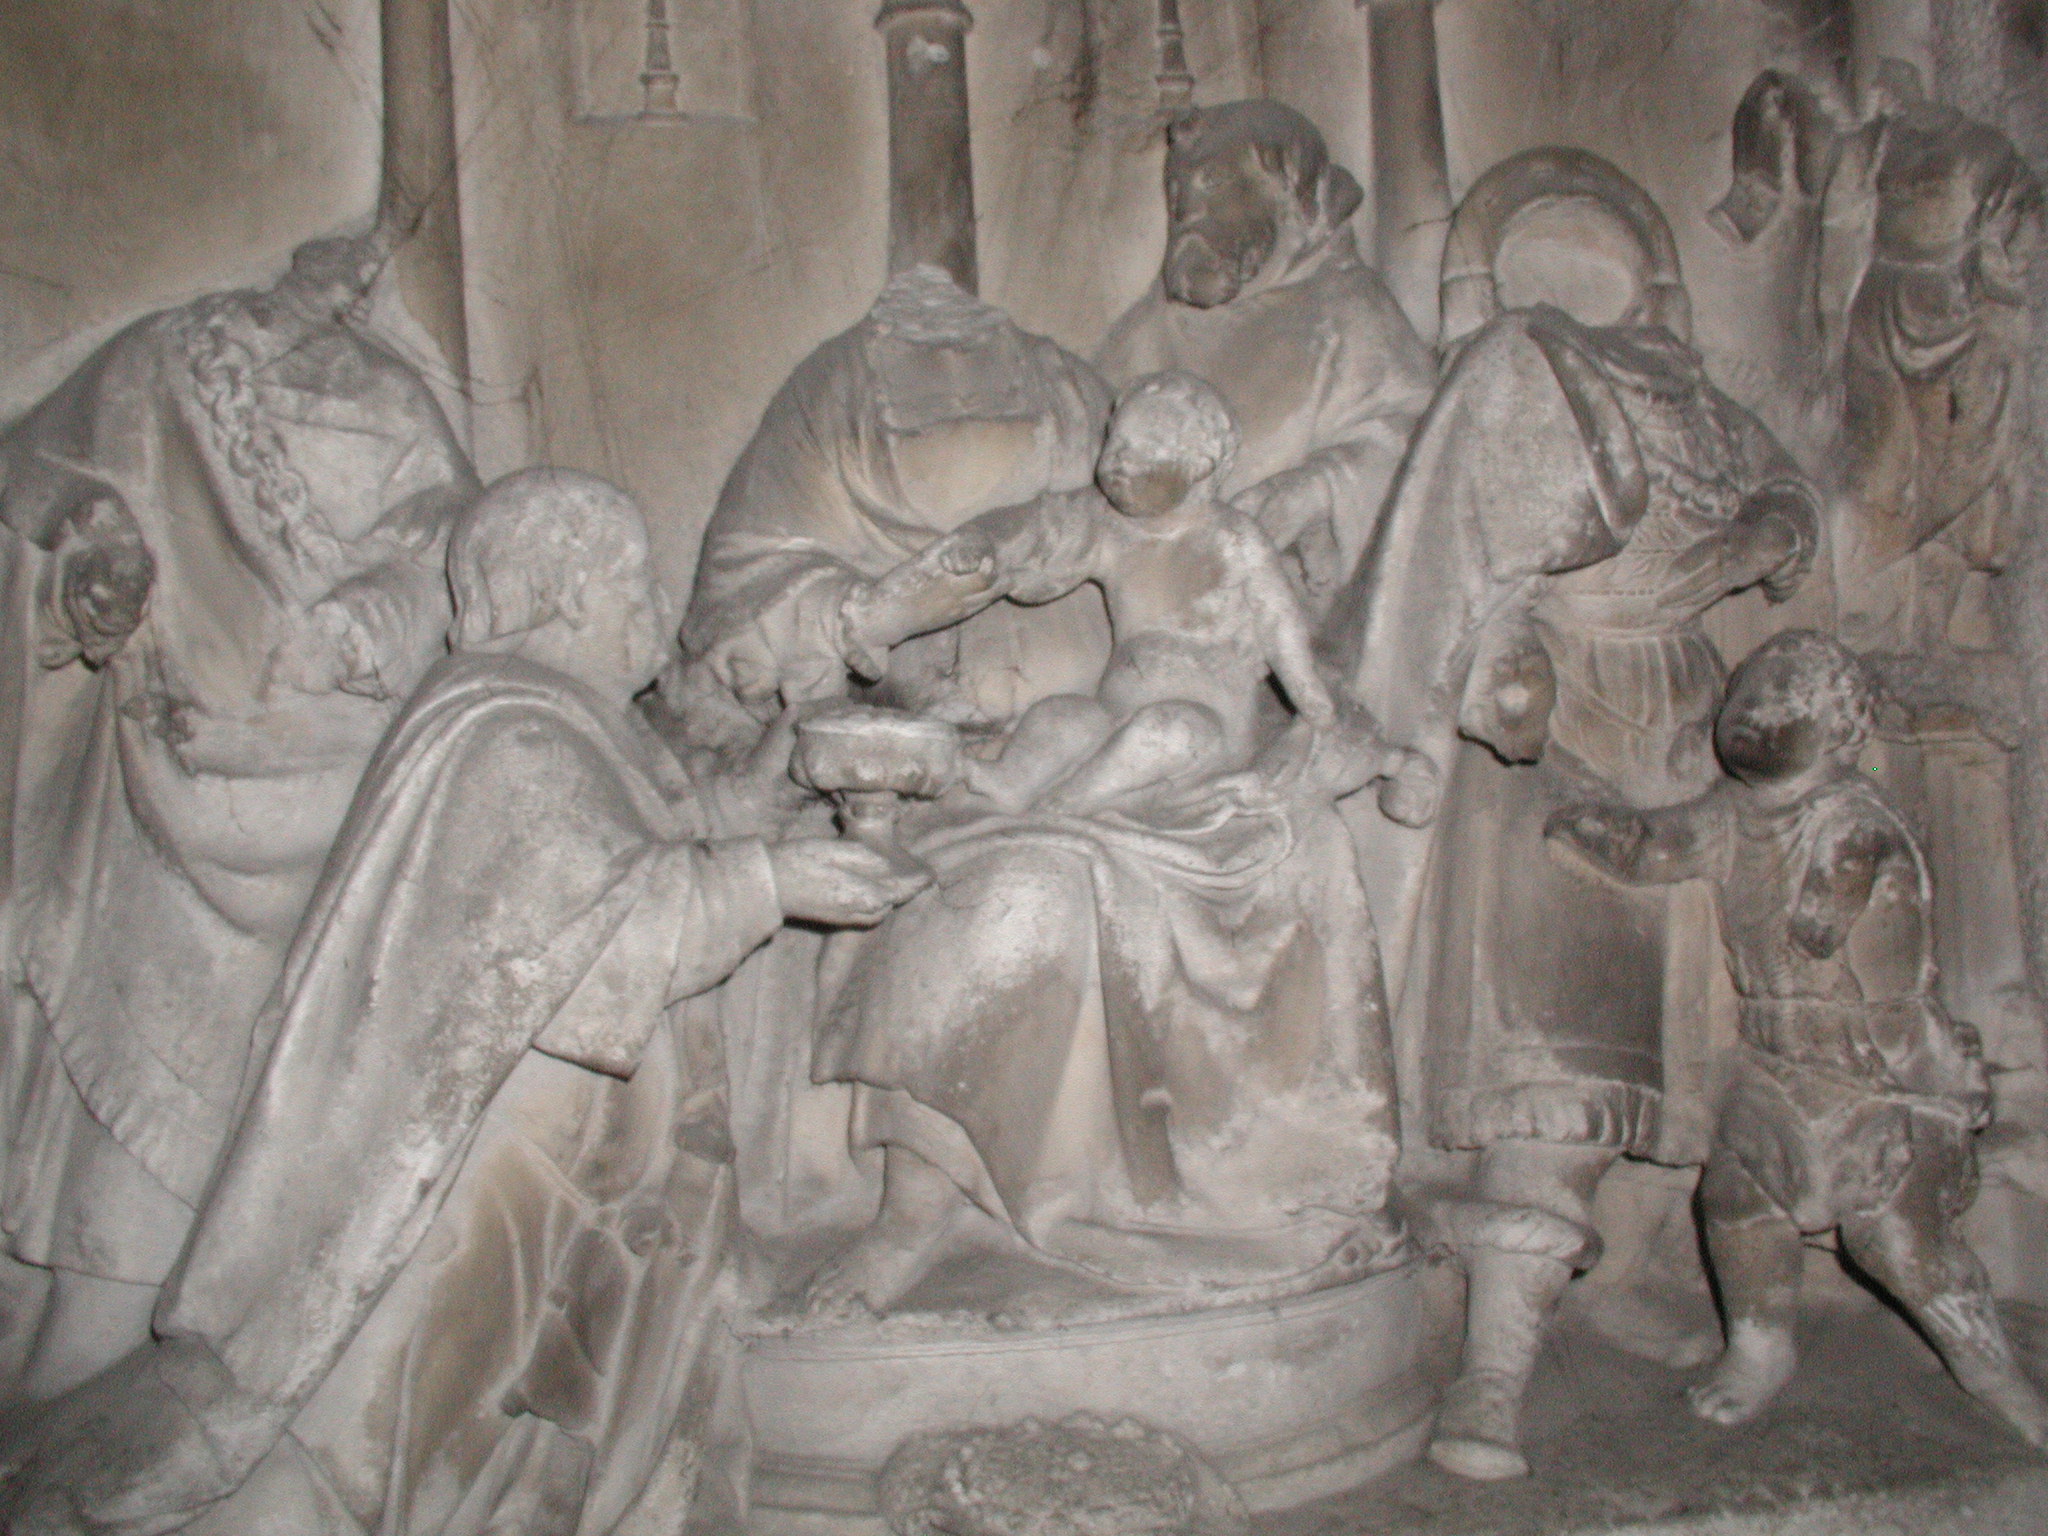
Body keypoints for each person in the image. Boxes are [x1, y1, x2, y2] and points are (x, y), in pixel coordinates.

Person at [0, 471, 929, 1536]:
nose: (653, 611)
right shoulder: (509, 735)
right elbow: (592, 936)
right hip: (484, 1193)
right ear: (566, 594)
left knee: (477, 1447)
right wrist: (769, 882)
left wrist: (769, 790)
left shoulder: (558, 728)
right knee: (404, 1443)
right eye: (634, 584)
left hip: (553, 1191)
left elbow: (638, 847)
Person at [1323, 154, 1823, 1482]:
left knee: (1682, 1054)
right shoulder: (1522, 374)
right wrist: (1506, 678)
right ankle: (1492, 1367)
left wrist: (1754, 540)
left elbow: (1788, 498)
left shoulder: (1698, 404)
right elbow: (1466, 560)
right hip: (1560, 723)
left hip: (1690, 728)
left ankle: (1612, 1284)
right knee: (1552, 1061)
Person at [0, 234, 478, 1396]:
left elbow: (456, 543)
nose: (343, 292)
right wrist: (87, 554)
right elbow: (28, 482)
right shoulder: (154, 366)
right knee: (120, 1225)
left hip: (337, 819)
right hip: (160, 809)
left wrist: (383, 609)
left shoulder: (387, 398)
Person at [1546, 632, 2048, 1449]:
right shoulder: (1734, 811)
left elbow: (1857, 865)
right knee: (1737, 1201)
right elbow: (1660, 848)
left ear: (1840, 730)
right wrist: (1598, 828)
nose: (1753, 710)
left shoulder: (1853, 815)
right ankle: (1760, 1350)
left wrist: (1833, 885)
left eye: (1783, 697)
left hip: (1882, 1073)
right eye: (1747, 693)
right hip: (1779, 1063)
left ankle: (1991, 1370)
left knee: (1899, 1241)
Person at [859, 371, 1355, 817]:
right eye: (1116, 442)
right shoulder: (1113, 528)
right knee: (1061, 717)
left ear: (1201, 464)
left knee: (1165, 731)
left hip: (1207, 730)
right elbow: (1047, 554)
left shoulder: (1233, 540)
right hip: (1115, 715)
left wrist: (1315, 710)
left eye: (1144, 450)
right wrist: (987, 553)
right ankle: (1010, 783)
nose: (1119, 461)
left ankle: (1069, 803)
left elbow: (1279, 627)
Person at [1097, 101, 1436, 617]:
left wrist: (1316, 491)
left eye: (1213, 183)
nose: (1190, 214)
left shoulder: (1349, 310)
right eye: (1178, 198)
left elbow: (1423, 449)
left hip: (1297, 605)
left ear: (1289, 190)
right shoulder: (1151, 328)